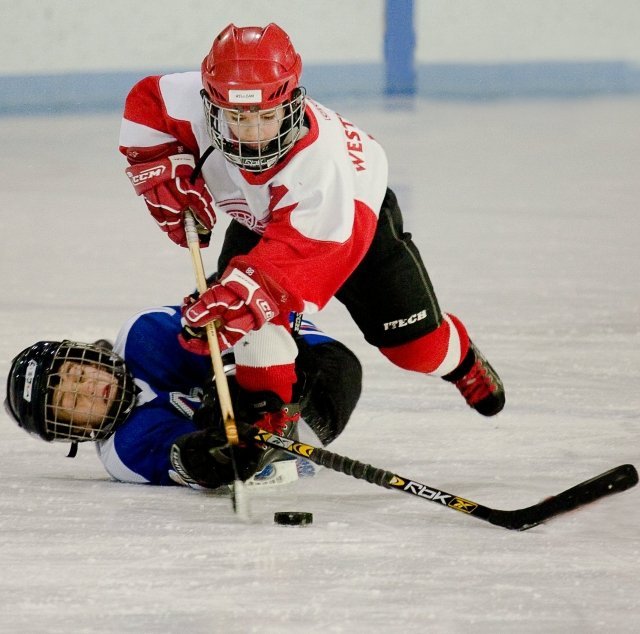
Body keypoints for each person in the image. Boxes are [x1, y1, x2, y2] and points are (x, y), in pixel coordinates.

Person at [119, 23, 505, 424]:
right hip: (265, 219)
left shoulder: (323, 171)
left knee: (416, 351)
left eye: (265, 117)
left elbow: (302, 258)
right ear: (212, 100)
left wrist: (246, 295)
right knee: (255, 330)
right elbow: (147, 104)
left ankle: (461, 361)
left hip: (351, 229)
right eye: (236, 117)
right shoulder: (191, 102)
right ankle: (270, 426)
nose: (251, 135)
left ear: (291, 101)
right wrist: (165, 174)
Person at [4, 305, 362, 488]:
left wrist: (228, 393)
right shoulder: (124, 452)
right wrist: (210, 455)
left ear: (87, 355)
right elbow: (183, 459)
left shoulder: (143, 334)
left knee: (255, 334)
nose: (89, 389)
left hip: (309, 359)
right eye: (76, 403)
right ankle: (269, 432)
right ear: (73, 429)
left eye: (79, 374)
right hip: (303, 422)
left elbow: (225, 330)